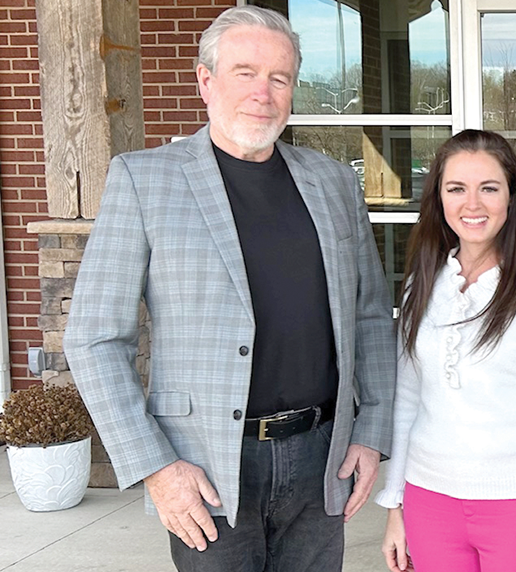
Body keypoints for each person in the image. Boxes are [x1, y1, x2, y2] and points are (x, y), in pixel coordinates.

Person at [64, 6, 396, 571]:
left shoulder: (335, 182)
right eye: (245, 72)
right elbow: (95, 338)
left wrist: (372, 430)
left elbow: (368, 315)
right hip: (206, 468)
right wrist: (156, 467)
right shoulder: (144, 180)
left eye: (280, 78)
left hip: (322, 458)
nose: (262, 93)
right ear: (206, 80)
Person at [374, 130, 516, 572]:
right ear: (438, 197)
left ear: (512, 197)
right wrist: (395, 504)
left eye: (488, 188)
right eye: (456, 189)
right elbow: (407, 401)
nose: (472, 204)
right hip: (428, 500)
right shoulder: (423, 281)